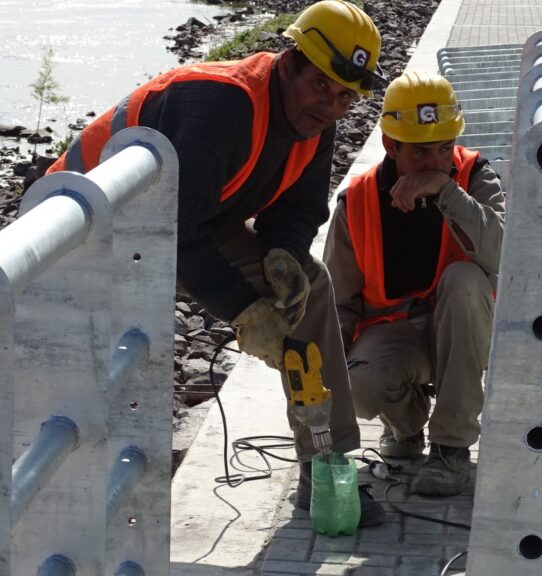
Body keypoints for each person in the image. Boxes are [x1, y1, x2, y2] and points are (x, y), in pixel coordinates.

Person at [46, 0, 388, 525]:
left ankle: (326, 467)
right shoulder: (220, 105)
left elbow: (296, 211)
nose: (331, 104)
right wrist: (246, 310)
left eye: (345, 95)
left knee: (311, 287)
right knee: (75, 372)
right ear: (289, 64)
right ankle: (58, 495)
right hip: (75, 230)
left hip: (180, 218)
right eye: (321, 84)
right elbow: (180, 235)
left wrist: (283, 257)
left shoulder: (316, 123)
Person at [323, 71, 506, 496]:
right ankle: (405, 426)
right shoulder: (358, 200)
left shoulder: (475, 176)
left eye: (444, 147)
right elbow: (340, 301)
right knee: (357, 386)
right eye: (421, 151)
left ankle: (450, 447)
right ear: (391, 145)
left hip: (466, 330)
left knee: (464, 279)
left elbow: (505, 255)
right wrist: (328, 370)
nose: (436, 162)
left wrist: (448, 193)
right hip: (396, 331)